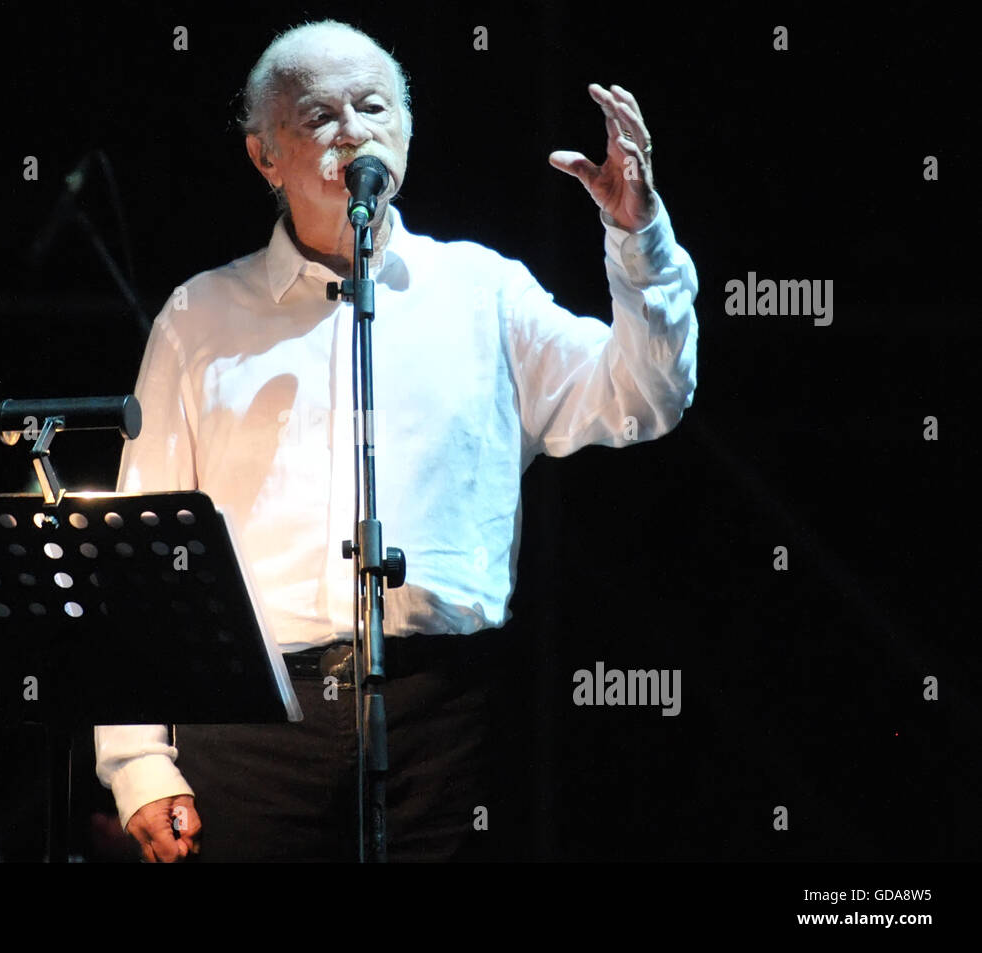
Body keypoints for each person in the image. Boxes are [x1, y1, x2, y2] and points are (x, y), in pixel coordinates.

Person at [95, 19, 698, 862]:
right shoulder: (202, 316)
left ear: (407, 130)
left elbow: (645, 397)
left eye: (373, 106)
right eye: (317, 115)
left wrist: (640, 241)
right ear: (264, 156)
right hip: (251, 729)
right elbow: (142, 549)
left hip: (448, 725)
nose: (353, 130)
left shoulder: (483, 291)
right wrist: (137, 761)